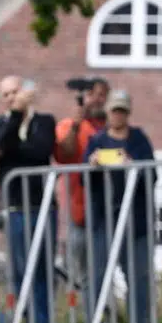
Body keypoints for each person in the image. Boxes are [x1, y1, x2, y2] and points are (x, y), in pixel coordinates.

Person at [0, 76, 58, 323]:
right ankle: (24, 322)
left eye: (15, 92)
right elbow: (4, 145)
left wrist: (14, 150)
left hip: (43, 204)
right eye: (5, 95)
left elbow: (39, 152)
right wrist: (16, 115)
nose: (11, 98)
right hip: (16, 206)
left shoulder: (45, 122)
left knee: (41, 267)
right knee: (19, 268)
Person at [82, 90, 156, 323]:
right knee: (98, 272)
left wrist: (132, 163)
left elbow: (152, 174)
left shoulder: (139, 139)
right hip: (104, 219)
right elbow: (84, 179)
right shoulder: (96, 140)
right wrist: (92, 165)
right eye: (115, 110)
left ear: (128, 113)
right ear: (108, 112)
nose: (118, 115)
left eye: (122, 111)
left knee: (137, 274)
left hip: (135, 221)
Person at [54, 76, 109, 310]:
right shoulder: (69, 125)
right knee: (83, 271)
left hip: (109, 208)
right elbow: (63, 155)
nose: (96, 99)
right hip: (81, 210)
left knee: (105, 268)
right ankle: (91, 321)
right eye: (92, 94)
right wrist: (76, 125)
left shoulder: (111, 127)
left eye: (102, 94)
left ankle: (107, 317)